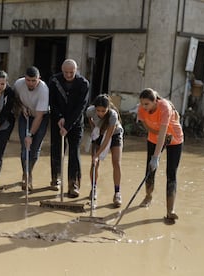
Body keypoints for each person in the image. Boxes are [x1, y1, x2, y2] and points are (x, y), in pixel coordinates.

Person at [137, 88, 183, 224]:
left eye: (147, 104)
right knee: (150, 170)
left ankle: (170, 210)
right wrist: (153, 132)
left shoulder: (164, 108)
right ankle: (148, 196)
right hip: (153, 139)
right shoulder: (141, 108)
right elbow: (146, 125)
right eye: (142, 104)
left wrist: (156, 157)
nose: (144, 107)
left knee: (171, 173)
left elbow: (163, 133)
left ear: (155, 101)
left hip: (174, 139)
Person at [49, 59, 89, 198]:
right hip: (57, 120)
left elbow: (80, 107)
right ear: (62, 69)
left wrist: (67, 125)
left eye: (71, 72)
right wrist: (59, 117)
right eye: (66, 72)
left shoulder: (83, 84)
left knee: (74, 152)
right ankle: (56, 178)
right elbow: (51, 102)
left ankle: (74, 184)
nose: (68, 75)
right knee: (56, 149)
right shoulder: (54, 81)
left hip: (75, 122)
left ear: (76, 70)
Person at [14, 66, 49, 191]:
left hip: (41, 117)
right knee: (25, 147)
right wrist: (22, 107)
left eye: (34, 81)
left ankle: (29, 172)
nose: (30, 83)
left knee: (34, 148)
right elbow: (16, 98)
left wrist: (30, 134)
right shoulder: (18, 84)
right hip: (25, 116)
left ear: (39, 79)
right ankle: (26, 175)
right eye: (28, 80)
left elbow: (39, 116)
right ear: (25, 78)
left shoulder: (43, 90)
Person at [85, 94, 124, 207]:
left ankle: (117, 193)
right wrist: (94, 128)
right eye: (98, 110)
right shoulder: (90, 111)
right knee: (94, 163)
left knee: (116, 162)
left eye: (103, 111)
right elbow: (89, 118)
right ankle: (93, 189)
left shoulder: (113, 115)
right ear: (94, 108)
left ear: (108, 108)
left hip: (114, 134)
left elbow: (108, 139)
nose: (100, 113)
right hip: (100, 133)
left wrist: (97, 154)